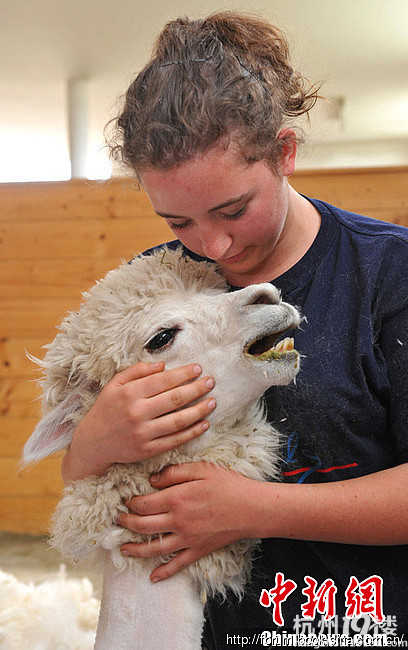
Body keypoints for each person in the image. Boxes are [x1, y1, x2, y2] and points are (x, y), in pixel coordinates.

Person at [62, 12, 408, 642]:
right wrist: (94, 440)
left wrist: (257, 509)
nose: (214, 245)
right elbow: (94, 477)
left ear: (284, 152)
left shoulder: (390, 277)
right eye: (178, 222)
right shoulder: (156, 286)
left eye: (234, 209)